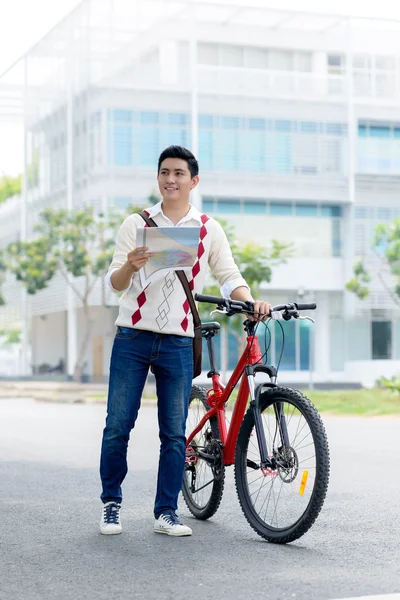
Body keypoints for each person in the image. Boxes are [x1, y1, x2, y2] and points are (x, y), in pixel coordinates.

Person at [100, 145, 272, 537]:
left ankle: (166, 512)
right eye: (164, 172)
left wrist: (250, 300)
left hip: (178, 340)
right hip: (133, 336)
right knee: (118, 425)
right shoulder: (137, 223)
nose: (170, 179)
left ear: (193, 181)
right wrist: (131, 264)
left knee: (174, 432)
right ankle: (111, 504)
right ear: (157, 178)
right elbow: (114, 284)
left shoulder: (208, 229)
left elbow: (229, 275)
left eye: (179, 173)